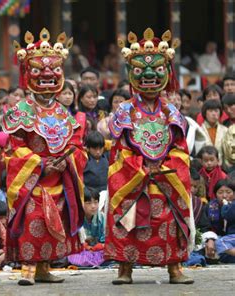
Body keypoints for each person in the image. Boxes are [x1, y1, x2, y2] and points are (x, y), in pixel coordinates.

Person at [106, 28, 193, 284]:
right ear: (131, 73)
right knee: (127, 218)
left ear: (167, 72)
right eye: (140, 70)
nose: (148, 76)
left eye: (156, 70)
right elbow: (119, 150)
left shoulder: (171, 112)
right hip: (134, 179)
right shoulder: (124, 112)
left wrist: (165, 168)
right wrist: (141, 169)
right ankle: (125, 269)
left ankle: (174, 268)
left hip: (166, 178)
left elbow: (180, 149)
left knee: (170, 217)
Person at [3, 28, 86, 285]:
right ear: (28, 73)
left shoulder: (63, 112)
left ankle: (44, 268)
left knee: (54, 224)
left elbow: (76, 144)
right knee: (32, 220)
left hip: (59, 177)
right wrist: (39, 164)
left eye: (54, 72)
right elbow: (14, 146)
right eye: (39, 71)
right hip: (33, 178)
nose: (47, 77)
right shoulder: (22, 110)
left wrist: (65, 161)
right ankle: (28, 269)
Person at [68, 189, 105, 267]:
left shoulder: (102, 217)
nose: (93, 206)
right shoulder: (76, 218)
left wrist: (99, 246)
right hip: (81, 249)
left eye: (96, 202)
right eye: (88, 203)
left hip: (97, 250)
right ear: (81, 204)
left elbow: (105, 240)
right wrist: (85, 246)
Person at [214, 179, 235, 263]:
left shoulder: (232, 205)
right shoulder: (210, 206)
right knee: (223, 254)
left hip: (231, 237)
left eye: (228, 192)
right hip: (229, 238)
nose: (224, 195)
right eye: (220, 192)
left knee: (220, 242)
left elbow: (227, 215)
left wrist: (225, 206)